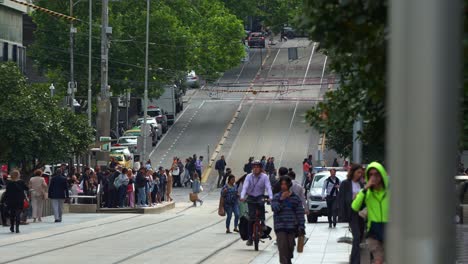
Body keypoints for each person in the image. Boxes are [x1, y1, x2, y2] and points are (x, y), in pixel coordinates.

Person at [351, 162, 389, 264]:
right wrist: (365, 189)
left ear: (381, 175)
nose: (373, 177)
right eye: (371, 174)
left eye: (376, 174)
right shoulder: (366, 193)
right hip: (374, 231)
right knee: (378, 260)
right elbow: (355, 207)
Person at [271, 176, 305, 264]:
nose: (283, 186)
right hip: (280, 226)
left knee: (290, 246)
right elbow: (275, 208)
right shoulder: (276, 197)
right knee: (282, 247)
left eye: (285, 184)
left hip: (291, 226)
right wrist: (281, 199)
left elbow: (300, 213)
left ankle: (288, 259)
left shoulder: (295, 198)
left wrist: (302, 226)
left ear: (289, 185)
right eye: (282, 184)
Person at [240, 160, 273, 246]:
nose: (255, 169)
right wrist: (242, 196)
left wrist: (271, 197)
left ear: (261, 168)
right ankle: (250, 238)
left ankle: (262, 223)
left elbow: (268, 187)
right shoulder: (248, 176)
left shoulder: (265, 177)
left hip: (260, 196)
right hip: (251, 197)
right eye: (254, 167)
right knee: (251, 218)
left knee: (261, 207)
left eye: (257, 167)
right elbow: (245, 187)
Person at [337, 164, 365, 264]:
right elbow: (341, 199)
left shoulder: (362, 184)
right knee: (356, 236)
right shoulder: (345, 184)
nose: (360, 174)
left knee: (360, 237)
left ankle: (355, 259)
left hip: (361, 214)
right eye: (358, 172)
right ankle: (355, 261)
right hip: (351, 213)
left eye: (361, 173)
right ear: (353, 172)